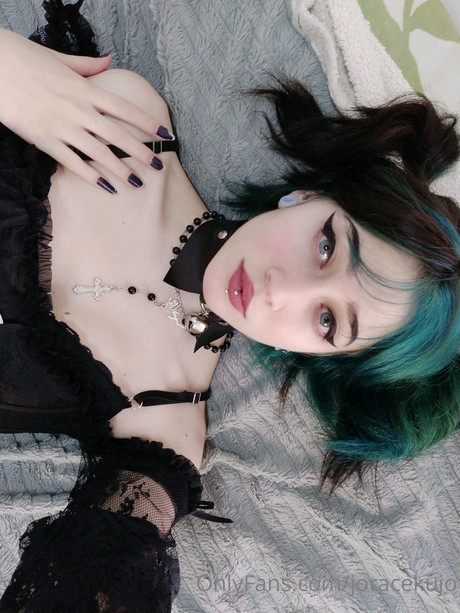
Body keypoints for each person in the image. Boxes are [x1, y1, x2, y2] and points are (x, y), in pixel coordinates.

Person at [0, 1, 459, 611]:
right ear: (308, 197)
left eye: (327, 321)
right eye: (326, 246)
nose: (279, 290)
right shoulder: (129, 122)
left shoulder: (165, 425)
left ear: (326, 356)